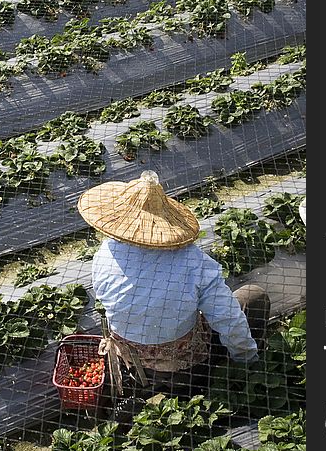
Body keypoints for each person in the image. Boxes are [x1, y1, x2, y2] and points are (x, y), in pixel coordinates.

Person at [77, 170, 270, 399]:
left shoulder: (104, 255)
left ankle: (150, 385)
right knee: (253, 296)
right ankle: (213, 373)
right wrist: (247, 360)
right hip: (187, 368)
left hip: (132, 365)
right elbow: (228, 318)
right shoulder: (192, 261)